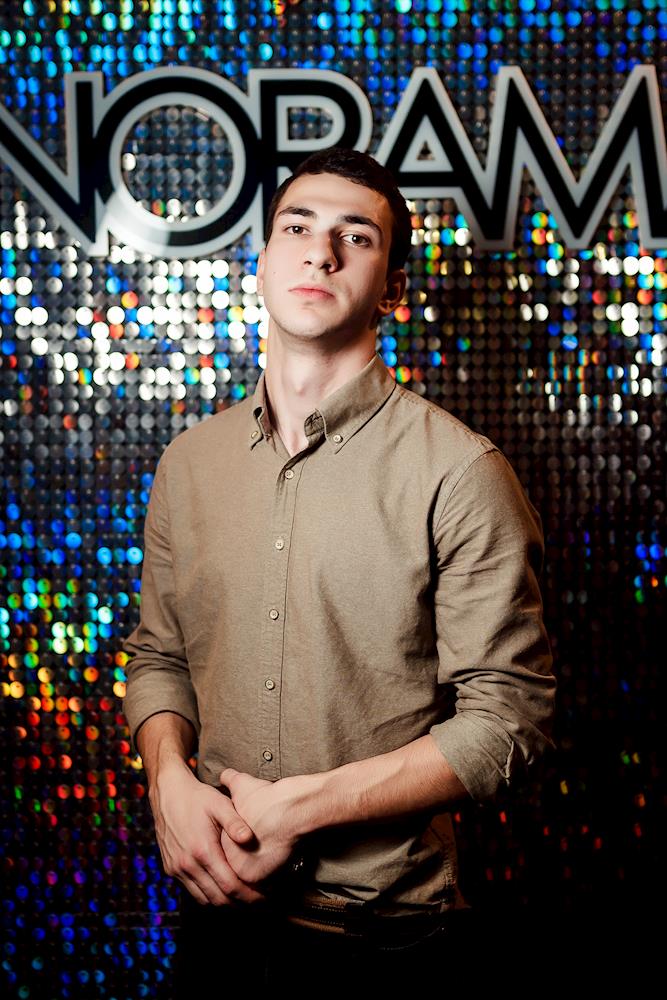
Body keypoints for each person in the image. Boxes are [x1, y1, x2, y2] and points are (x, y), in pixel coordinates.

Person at [121, 146, 556, 990]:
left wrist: (305, 808)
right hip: (215, 925)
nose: (320, 253)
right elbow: (160, 658)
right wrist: (167, 781)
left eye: (355, 236)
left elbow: (509, 720)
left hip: (388, 942)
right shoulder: (189, 463)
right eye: (297, 228)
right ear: (261, 262)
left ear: (391, 290)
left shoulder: (459, 471)